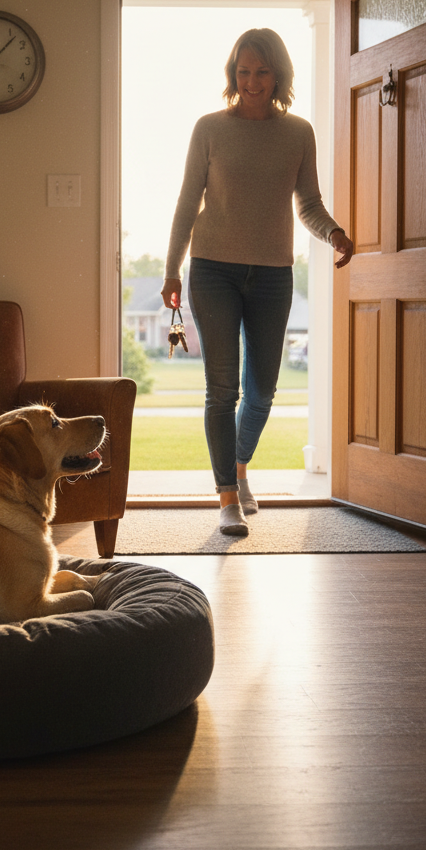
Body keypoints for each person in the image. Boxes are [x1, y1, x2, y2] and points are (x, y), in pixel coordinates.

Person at [161, 27, 354, 537]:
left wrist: (333, 233)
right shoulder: (209, 128)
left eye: (261, 71)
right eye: (243, 72)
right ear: (233, 74)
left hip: (272, 274)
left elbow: (308, 205)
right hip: (213, 270)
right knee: (222, 390)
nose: (252, 81)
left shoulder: (298, 133)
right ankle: (228, 497)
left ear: (278, 76)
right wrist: (170, 270)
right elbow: (187, 203)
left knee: (263, 391)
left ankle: (240, 466)